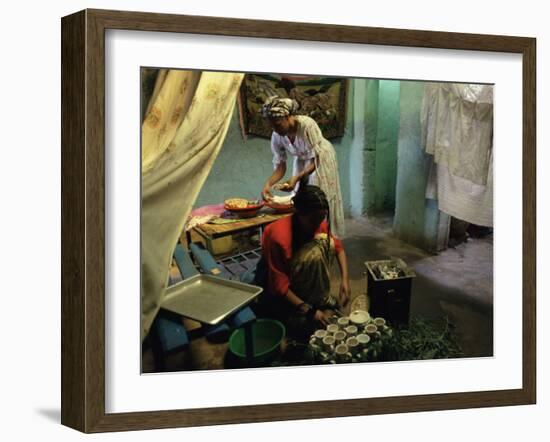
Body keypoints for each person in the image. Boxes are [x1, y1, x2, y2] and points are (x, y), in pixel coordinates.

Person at [255, 184, 351, 341]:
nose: (318, 224)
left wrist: (345, 281)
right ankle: (302, 306)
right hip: (275, 286)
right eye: (313, 220)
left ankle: (317, 298)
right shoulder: (279, 237)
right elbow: (279, 286)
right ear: (298, 212)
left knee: (327, 243)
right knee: (302, 329)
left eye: (321, 218)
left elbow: (339, 248)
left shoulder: (316, 220)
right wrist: (310, 311)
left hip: (298, 277)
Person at [260, 96, 346, 238]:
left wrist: (297, 178)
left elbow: (316, 160)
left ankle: (325, 236)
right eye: (272, 126)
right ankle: (306, 235)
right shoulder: (277, 135)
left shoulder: (307, 125)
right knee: (301, 197)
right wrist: (267, 185)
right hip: (302, 160)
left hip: (320, 159)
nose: (275, 129)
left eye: (277, 124)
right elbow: (281, 166)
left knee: (317, 197)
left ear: (288, 116)